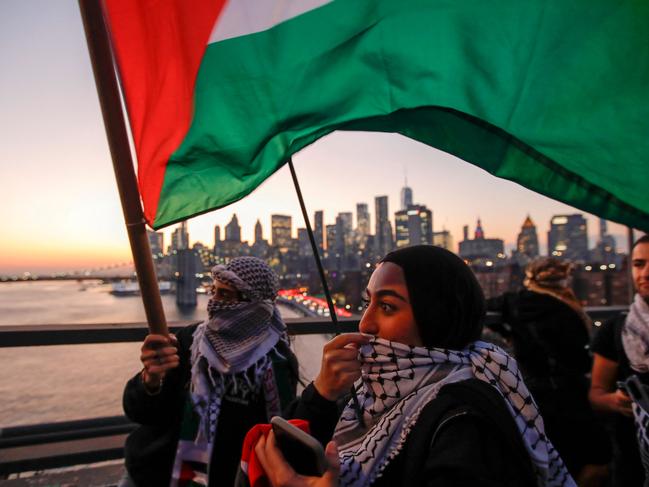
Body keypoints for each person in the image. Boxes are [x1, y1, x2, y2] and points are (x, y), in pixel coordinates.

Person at [260, 245, 574, 487]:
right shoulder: (376, 394)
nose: (366, 323)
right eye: (368, 302)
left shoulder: (466, 421)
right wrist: (322, 393)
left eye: (387, 306)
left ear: (436, 316)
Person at [121, 257, 299, 487]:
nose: (213, 302)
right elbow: (141, 413)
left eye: (225, 295)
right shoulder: (189, 342)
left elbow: (278, 432)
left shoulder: (276, 364)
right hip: (152, 474)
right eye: (213, 291)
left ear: (255, 304)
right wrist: (150, 379)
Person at [486, 258, 610, 484]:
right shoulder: (567, 307)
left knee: (551, 459)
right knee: (593, 461)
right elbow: (579, 359)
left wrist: (508, 332)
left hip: (534, 395)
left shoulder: (516, 302)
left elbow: (485, 308)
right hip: (571, 394)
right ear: (563, 278)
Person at [590, 234, 649, 486]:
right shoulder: (616, 331)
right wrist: (616, 401)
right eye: (638, 264)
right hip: (632, 463)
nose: (645, 273)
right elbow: (596, 393)